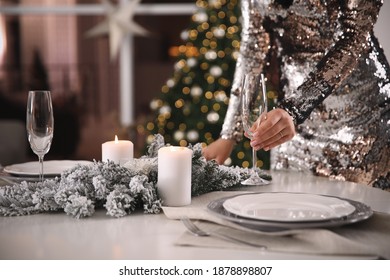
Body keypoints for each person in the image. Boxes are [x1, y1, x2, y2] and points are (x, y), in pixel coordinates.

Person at [203, 0, 390, 189]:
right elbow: (253, 44)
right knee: (290, 207)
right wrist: (229, 134)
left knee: (358, 211)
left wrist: (295, 109)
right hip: (293, 127)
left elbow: (355, 37)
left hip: (359, 120)